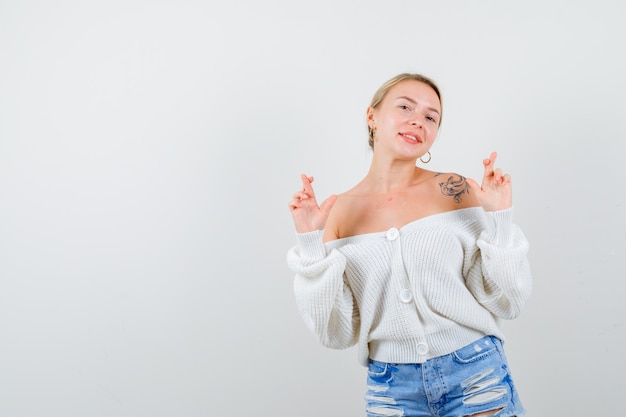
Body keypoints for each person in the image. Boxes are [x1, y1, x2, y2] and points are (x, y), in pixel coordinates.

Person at [286, 73, 532, 417]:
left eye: (431, 117)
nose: (419, 120)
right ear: (372, 116)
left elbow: (508, 300)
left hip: (475, 375)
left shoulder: (455, 190)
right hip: (391, 390)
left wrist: (499, 219)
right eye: (405, 107)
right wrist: (311, 245)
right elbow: (336, 333)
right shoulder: (337, 212)